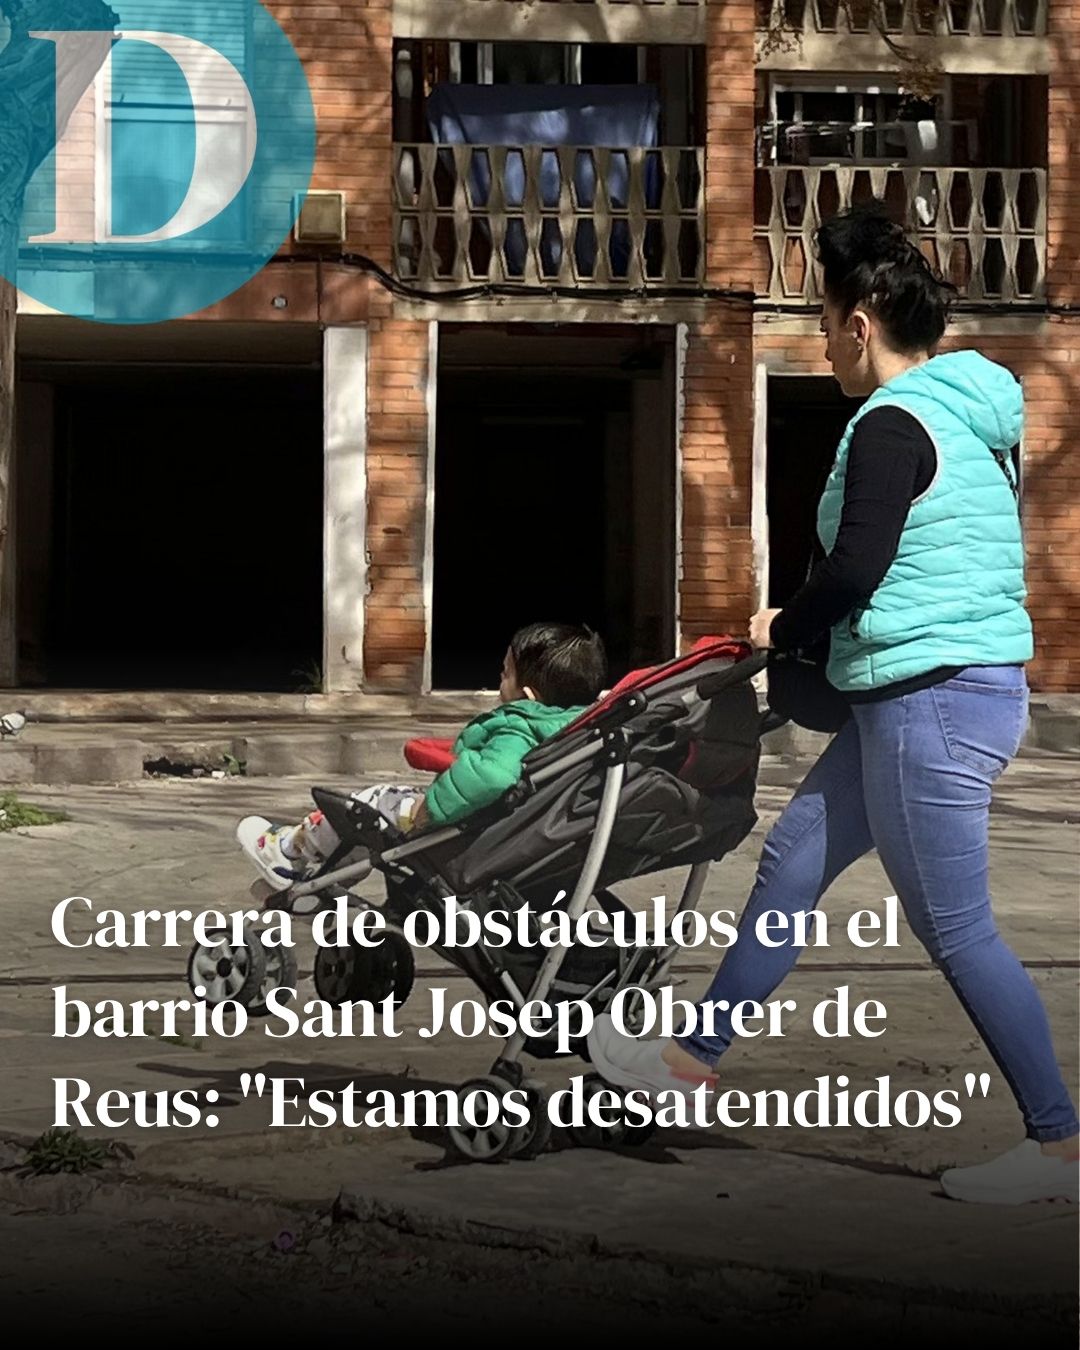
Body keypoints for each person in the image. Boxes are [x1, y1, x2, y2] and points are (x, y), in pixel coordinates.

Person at [588, 203, 1079, 1206]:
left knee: (956, 927)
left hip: (929, 701)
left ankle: (1060, 1143)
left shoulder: (896, 420)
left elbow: (857, 567)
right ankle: (690, 1065)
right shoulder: (971, 419)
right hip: (928, 695)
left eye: (820, 324)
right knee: (792, 860)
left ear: (859, 323)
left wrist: (784, 628)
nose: (820, 346)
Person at [243, 622, 607, 887]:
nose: (499, 679)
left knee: (370, 802)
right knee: (376, 812)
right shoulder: (578, 727)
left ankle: (289, 851)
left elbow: (492, 776)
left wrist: (430, 809)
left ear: (528, 694)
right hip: (516, 829)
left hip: (463, 827)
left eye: (505, 673)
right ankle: (335, 864)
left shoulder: (519, 728)